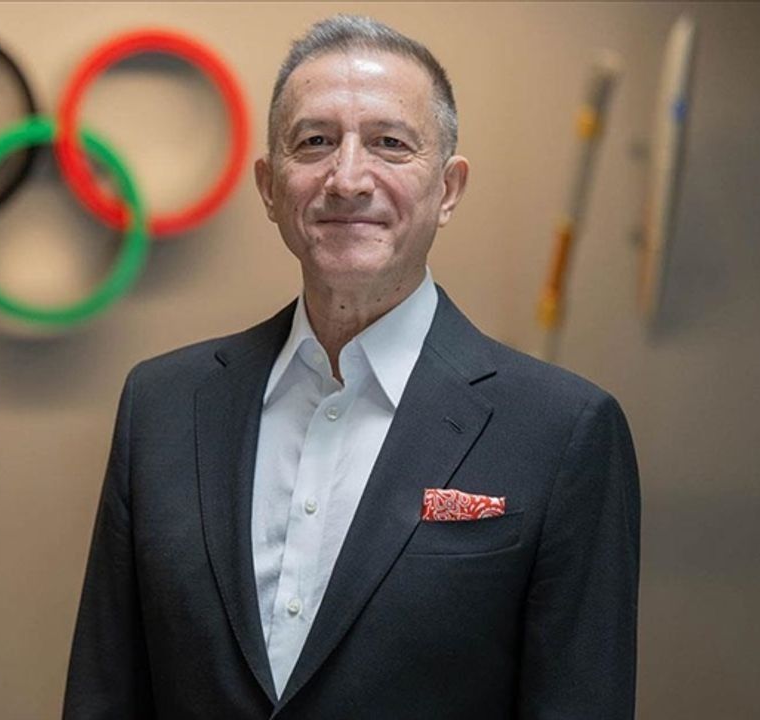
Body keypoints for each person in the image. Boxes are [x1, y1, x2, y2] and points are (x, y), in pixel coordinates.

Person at [63, 14, 640, 720]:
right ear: (270, 186)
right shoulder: (162, 406)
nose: (347, 178)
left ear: (448, 188)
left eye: (390, 143)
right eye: (315, 142)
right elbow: (104, 695)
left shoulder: (562, 431)